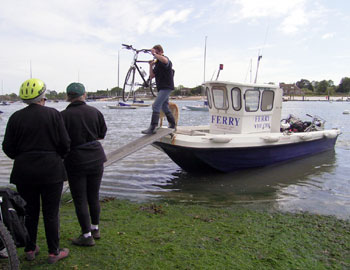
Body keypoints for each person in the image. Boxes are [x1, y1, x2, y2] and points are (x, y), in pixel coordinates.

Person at [2, 78, 70, 264]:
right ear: (42, 96)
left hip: (24, 171)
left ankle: (30, 248)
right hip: (51, 170)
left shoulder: (15, 117)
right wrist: (56, 156)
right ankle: (53, 252)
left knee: (29, 211)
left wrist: (22, 157)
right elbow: (65, 144)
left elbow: (7, 146)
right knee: (51, 213)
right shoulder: (54, 114)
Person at [61, 82, 107, 247]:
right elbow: (102, 135)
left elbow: (61, 142)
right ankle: (95, 229)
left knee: (80, 199)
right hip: (96, 157)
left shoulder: (63, 116)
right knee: (93, 195)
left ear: (68, 97)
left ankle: (86, 235)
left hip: (76, 160)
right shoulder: (95, 112)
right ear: (84, 95)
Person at [142, 44, 176, 134]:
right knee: (164, 106)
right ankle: (173, 124)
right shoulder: (157, 63)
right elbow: (152, 75)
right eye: (154, 52)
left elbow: (165, 61)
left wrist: (155, 54)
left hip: (166, 87)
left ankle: (153, 127)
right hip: (161, 88)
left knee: (155, 105)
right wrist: (150, 66)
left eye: (157, 52)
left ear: (161, 52)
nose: (155, 54)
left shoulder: (165, 59)